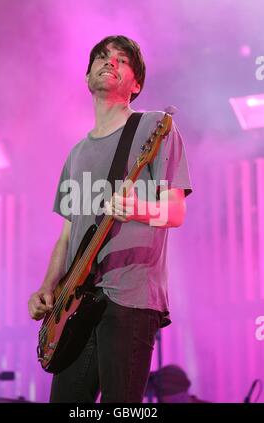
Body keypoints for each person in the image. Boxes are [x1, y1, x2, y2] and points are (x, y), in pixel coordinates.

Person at [28, 35, 192, 403]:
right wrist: (47, 288)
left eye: (122, 60)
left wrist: (138, 209)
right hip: (74, 303)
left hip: (130, 296)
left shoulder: (155, 127)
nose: (110, 62)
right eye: (102, 58)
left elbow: (177, 211)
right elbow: (68, 235)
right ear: (87, 78)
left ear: (136, 84)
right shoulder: (76, 154)